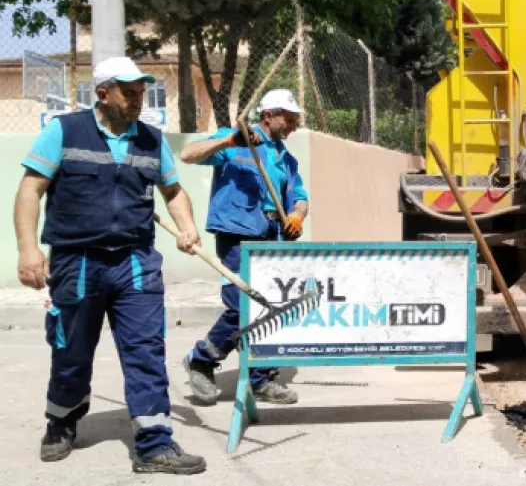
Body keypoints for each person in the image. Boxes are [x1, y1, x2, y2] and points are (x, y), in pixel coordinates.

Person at [15, 57, 207, 474]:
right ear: (102, 93)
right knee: (71, 349)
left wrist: (188, 227)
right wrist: (29, 249)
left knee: (146, 350)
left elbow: (173, 191)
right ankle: (62, 420)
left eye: (142, 92)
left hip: (135, 261)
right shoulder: (63, 132)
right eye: (130, 92)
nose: (140, 100)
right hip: (77, 261)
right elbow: (31, 189)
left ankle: (155, 442)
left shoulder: (152, 141)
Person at [179, 88, 309, 406]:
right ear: (269, 116)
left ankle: (260, 379)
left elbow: (300, 196)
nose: (293, 126)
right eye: (289, 120)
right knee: (242, 305)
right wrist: (229, 141)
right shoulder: (237, 141)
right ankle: (201, 361)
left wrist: (296, 214)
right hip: (237, 236)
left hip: (271, 237)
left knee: (271, 306)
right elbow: (188, 155)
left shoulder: (285, 159)